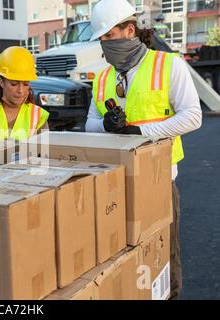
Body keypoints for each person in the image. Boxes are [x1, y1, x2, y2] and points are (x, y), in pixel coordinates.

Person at [86, 0, 202, 299]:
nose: (105, 44)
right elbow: (90, 124)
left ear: (130, 29)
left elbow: (192, 116)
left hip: (159, 181)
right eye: (101, 39)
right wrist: (107, 127)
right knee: (123, 258)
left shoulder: (168, 65)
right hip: (114, 182)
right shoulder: (102, 78)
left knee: (164, 253)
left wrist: (140, 131)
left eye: (109, 36)